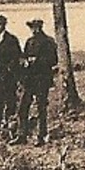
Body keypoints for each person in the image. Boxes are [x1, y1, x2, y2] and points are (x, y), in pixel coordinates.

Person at [15, 18, 58, 146]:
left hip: (42, 79)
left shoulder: (49, 42)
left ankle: (42, 135)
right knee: (23, 107)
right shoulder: (29, 41)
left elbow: (53, 60)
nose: (34, 30)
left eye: (35, 27)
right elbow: (23, 56)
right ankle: (21, 135)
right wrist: (24, 61)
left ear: (40, 27)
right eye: (32, 28)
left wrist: (37, 61)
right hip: (29, 80)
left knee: (41, 108)